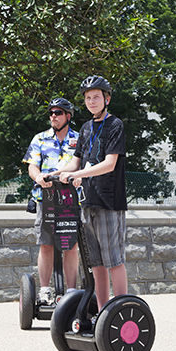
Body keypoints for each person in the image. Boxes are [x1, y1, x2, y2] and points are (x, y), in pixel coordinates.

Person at [57, 76, 127, 308]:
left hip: (109, 201)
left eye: (96, 96)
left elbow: (109, 164)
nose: (92, 101)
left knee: (113, 260)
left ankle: (121, 309)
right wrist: (53, 174)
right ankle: (102, 312)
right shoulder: (86, 128)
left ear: (106, 99)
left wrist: (79, 176)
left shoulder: (115, 125)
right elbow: (76, 163)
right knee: (95, 262)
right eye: (88, 98)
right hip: (87, 201)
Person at [24, 97, 80, 304]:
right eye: (51, 113)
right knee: (46, 244)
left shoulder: (79, 138)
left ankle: (72, 291)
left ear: (68, 116)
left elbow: (83, 163)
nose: (53, 116)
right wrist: (37, 176)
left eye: (58, 113)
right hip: (45, 197)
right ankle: (45, 290)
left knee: (70, 245)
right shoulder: (40, 138)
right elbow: (32, 165)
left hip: (71, 199)